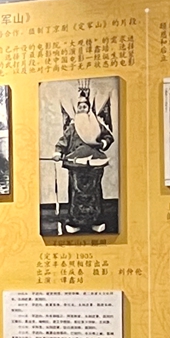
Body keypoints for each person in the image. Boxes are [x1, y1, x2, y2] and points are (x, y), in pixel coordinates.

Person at [52, 85, 116, 233]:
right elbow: (62, 142)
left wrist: (103, 143)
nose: (82, 108)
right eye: (79, 106)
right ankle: (75, 222)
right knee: (76, 194)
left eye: (84, 106)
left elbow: (108, 137)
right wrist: (58, 153)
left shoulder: (96, 125)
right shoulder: (72, 128)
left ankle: (96, 221)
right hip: (76, 166)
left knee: (94, 193)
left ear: (88, 109)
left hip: (94, 164)